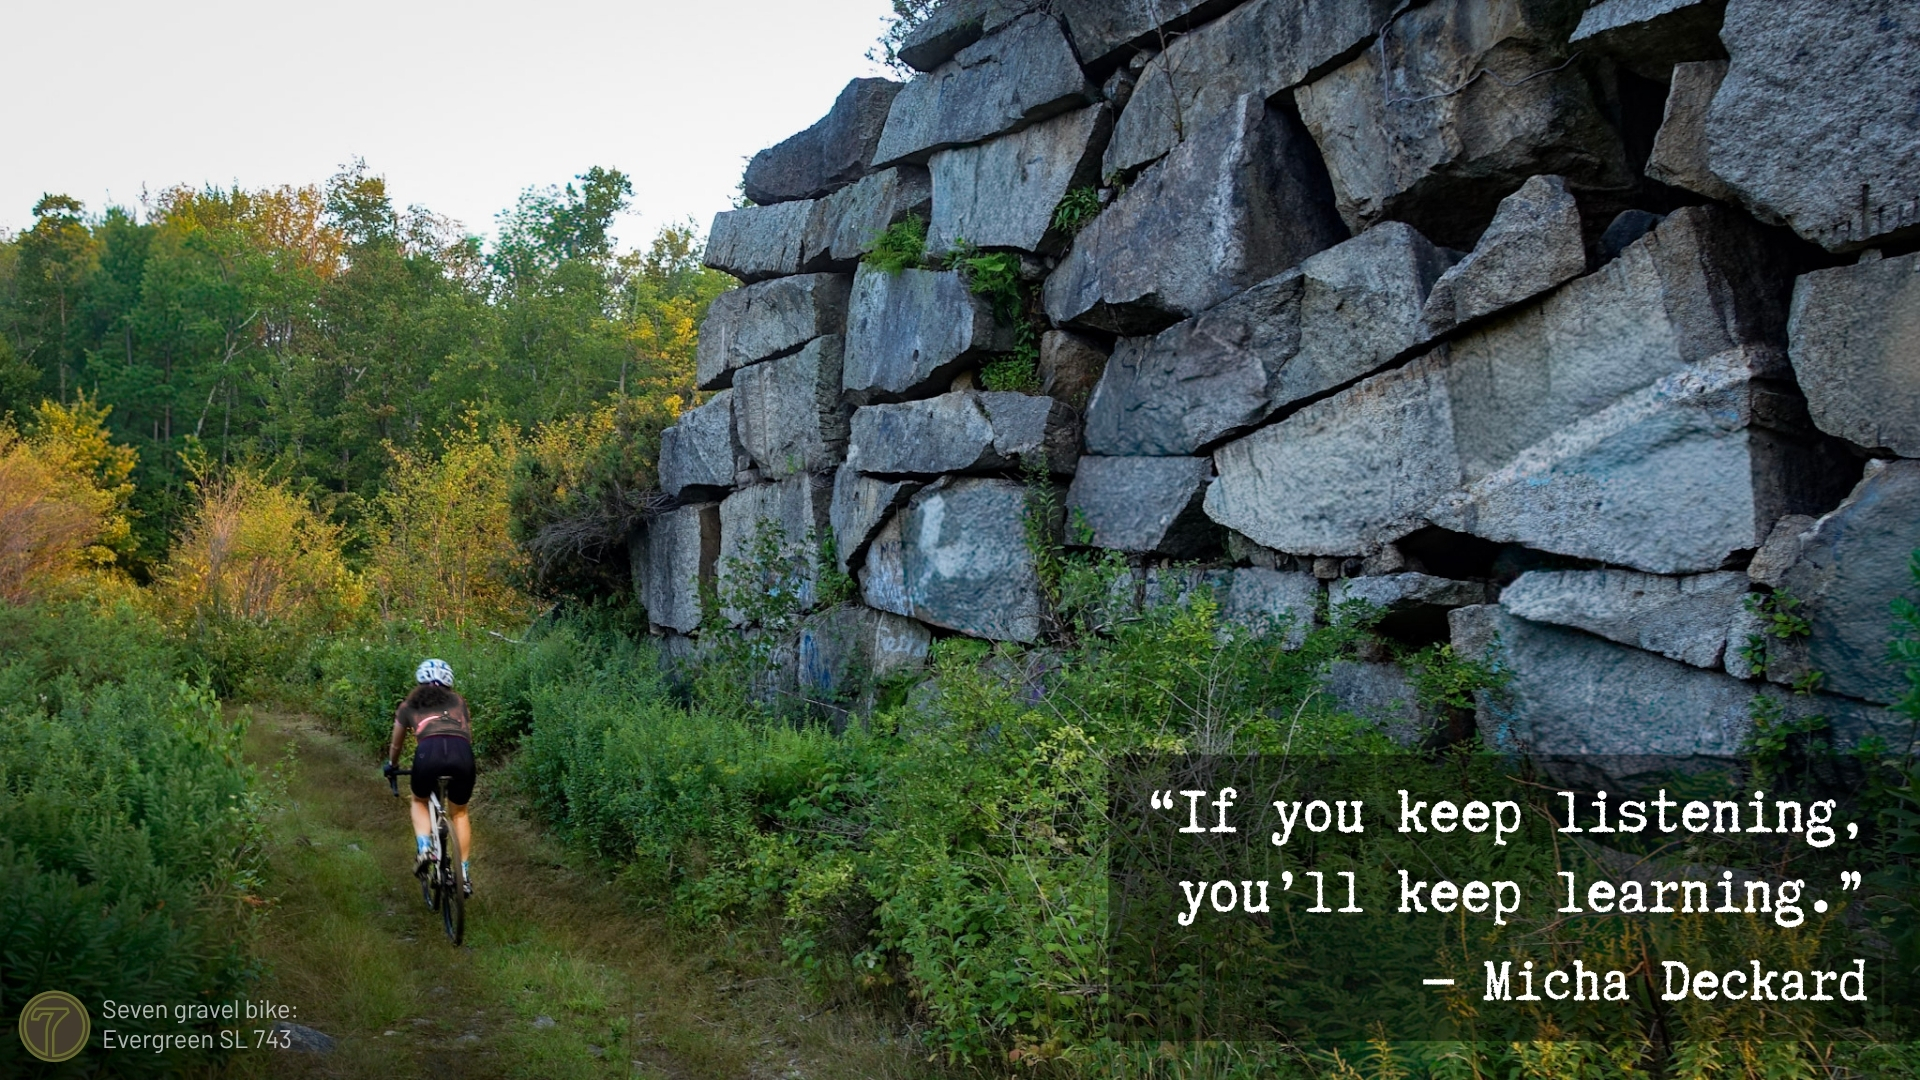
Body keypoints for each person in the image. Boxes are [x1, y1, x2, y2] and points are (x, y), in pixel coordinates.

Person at [383, 658, 476, 896]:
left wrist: (392, 766)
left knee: (419, 800)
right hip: (462, 753)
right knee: (460, 812)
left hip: (429, 753)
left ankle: (425, 847)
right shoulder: (459, 702)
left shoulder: (408, 706)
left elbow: (396, 745)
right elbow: (468, 734)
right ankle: (463, 875)